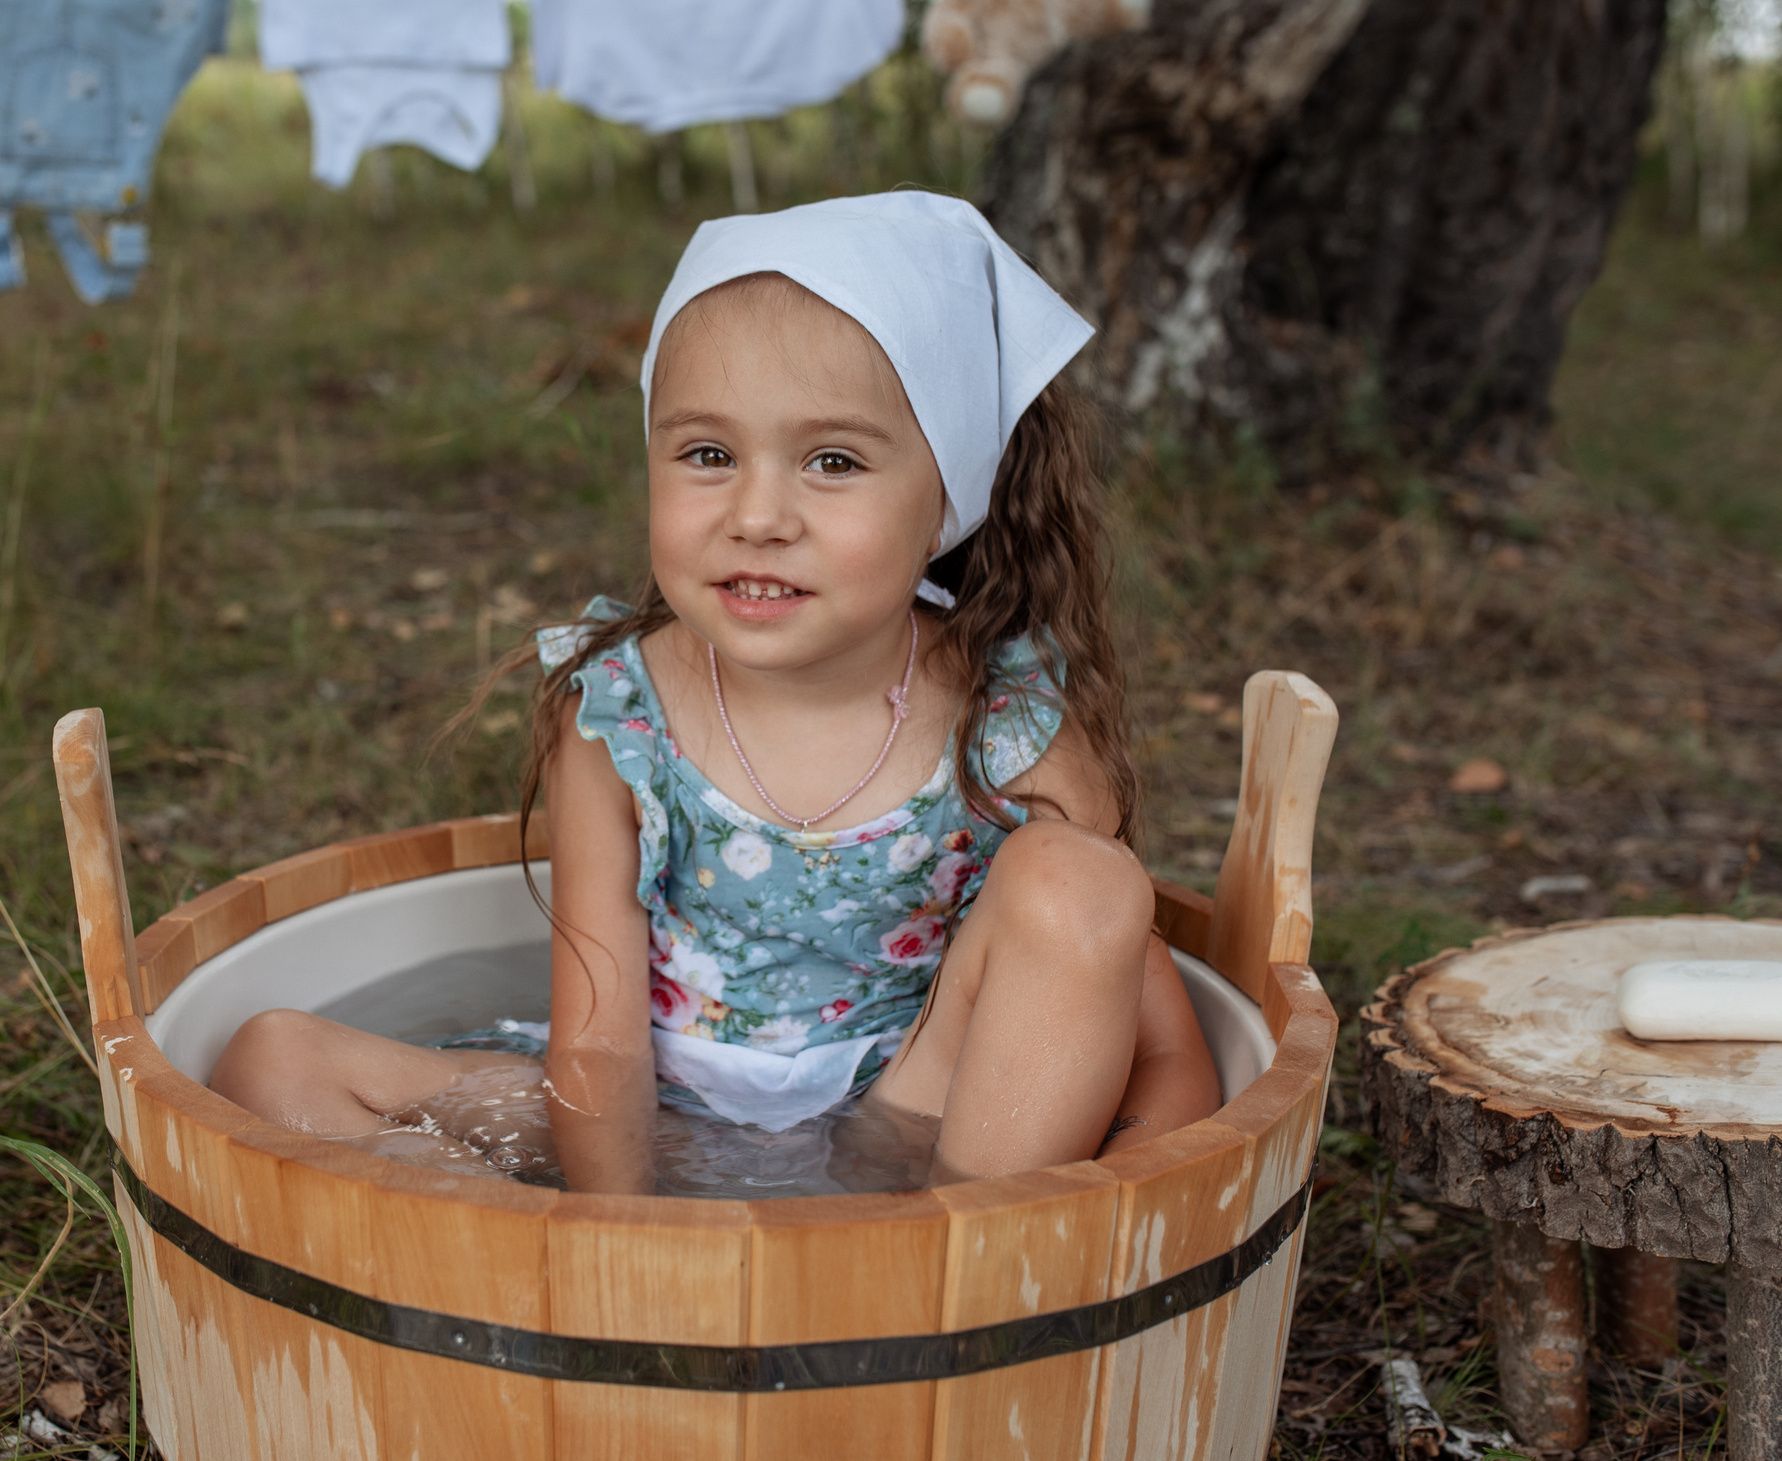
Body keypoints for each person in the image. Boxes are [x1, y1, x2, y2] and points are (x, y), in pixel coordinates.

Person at [209, 193, 1219, 1191]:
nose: (757, 513)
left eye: (832, 460)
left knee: (1078, 879)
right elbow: (598, 1050)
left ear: (943, 498)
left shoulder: (1015, 729)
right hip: (660, 1113)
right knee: (272, 1061)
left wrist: (1114, 1209)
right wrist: (626, 1239)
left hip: (910, 1125)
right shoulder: (619, 714)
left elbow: (1159, 1051)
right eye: (707, 454)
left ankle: (949, 1269)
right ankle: (522, 1276)